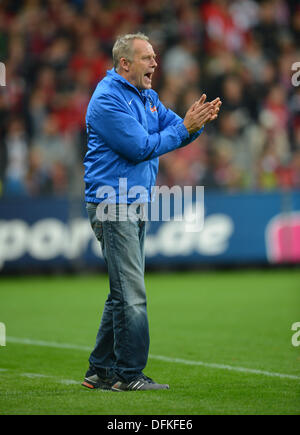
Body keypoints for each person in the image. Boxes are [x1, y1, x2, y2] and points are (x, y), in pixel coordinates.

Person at [82, 33, 221, 392]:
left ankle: (100, 370)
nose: (155, 64)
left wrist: (196, 122)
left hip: (135, 202)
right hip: (113, 205)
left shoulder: (149, 97)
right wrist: (184, 127)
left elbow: (177, 131)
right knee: (133, 294)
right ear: (124, 63)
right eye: (147, 58)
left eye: (155, 57)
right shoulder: (107, 99)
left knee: (121, 293)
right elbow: (141, 147)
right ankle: (129, 375)